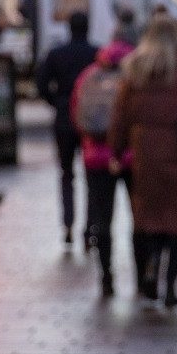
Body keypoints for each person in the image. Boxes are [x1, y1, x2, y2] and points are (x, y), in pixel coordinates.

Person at [110, 15, 177, 307]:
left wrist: (116, 150)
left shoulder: (134, 70)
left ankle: (151, 266)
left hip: (144, 156)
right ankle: (169, 286)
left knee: (150, 217)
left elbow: (120, 116)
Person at [70, 38, 136, 297]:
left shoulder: (89, 75)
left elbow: (77, 116)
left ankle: (106, 276)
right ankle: (141, 277)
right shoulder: (134, 76)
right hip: (131, 156)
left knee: (102, 219)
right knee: (139, 218)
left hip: (96, 157)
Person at [36, 12, 99, 247]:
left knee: (66, 173)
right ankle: (89, 226)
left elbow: (41, 84)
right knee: (91, 174)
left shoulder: (57, 54)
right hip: (89, 120)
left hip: (64, 118)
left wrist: (58, 102)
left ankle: (68, 222)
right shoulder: (95, 54)